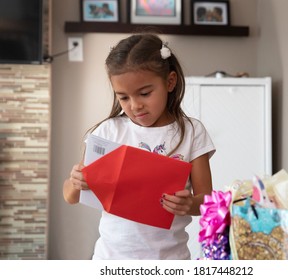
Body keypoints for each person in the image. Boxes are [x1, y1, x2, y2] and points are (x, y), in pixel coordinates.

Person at [63, 33, 215, 260]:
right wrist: (77, 182)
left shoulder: (192, 132)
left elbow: (208, 202)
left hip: (170, 260)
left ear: (170, 82)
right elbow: (70, 196)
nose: (135, 106)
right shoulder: (108, 131)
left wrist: (189, 204)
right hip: (110, 259)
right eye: (123, 97)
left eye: (145, 93)